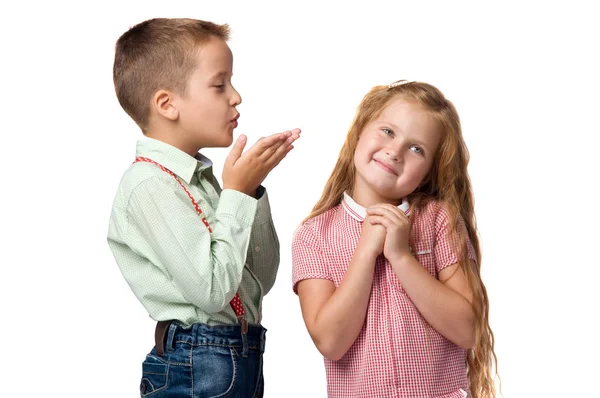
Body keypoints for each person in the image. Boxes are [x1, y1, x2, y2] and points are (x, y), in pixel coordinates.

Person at [107, 17, 300, 397]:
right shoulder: (149, 186)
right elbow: (212, 291)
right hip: (197, 363)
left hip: (237, 355)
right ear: (167, 104)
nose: (236, 96)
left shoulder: (203, 182)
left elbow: (260, 278)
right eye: (219, 84)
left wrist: (250, 192)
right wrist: (237, 196)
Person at [292, 80, 496, 397]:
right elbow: (331, 342)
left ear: (428, 172)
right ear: (359, 131)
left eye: (417, 149)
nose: (395, 151)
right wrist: (365, 253)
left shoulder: (440, 220)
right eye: (388, 131)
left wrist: (402, 257)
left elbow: (467, 330)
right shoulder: (314, 235)